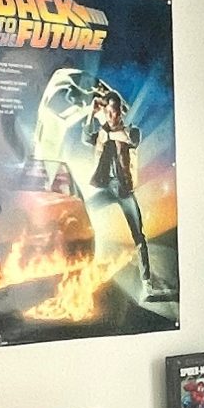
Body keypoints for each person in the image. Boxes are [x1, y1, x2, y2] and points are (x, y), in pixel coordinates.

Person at [84, 84, 162, 293]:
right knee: (83, 210)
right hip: (105, 188)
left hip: (125, 191)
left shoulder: (131, 131)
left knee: (139, 236)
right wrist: (91, 113)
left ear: (120, 112)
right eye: (108, 112)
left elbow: (130, 140)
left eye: (115, 111)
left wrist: (107, 135)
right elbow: (85, 136)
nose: (111, 116)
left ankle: (147, 283)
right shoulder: (102, 132)